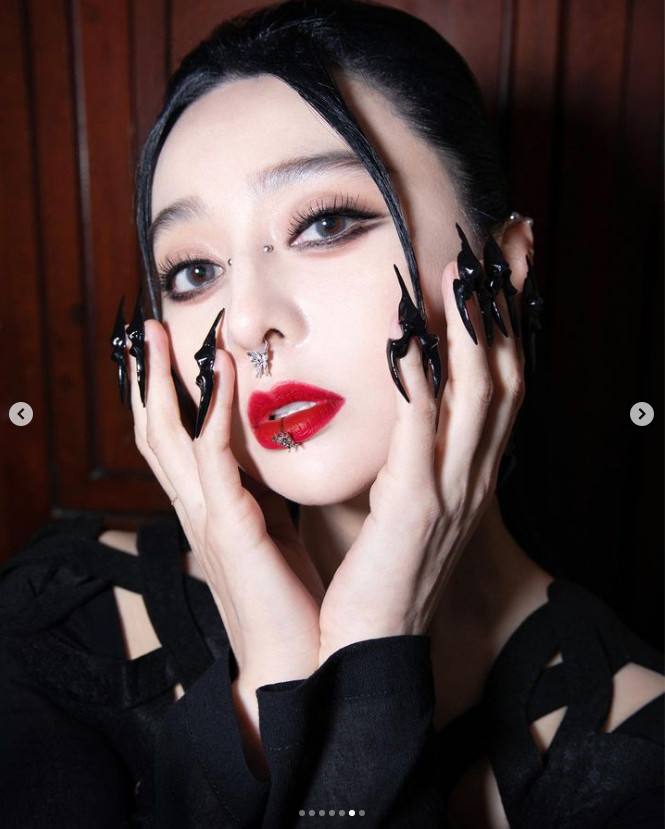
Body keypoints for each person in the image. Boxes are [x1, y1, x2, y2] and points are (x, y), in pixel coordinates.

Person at [1, 1, 662, 827]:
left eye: (325, 222)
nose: (246, 323)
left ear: (502, 269)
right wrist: (268, 681)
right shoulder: (61, 624)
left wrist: (374, 649)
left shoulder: (633, 763)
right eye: (194, 270)